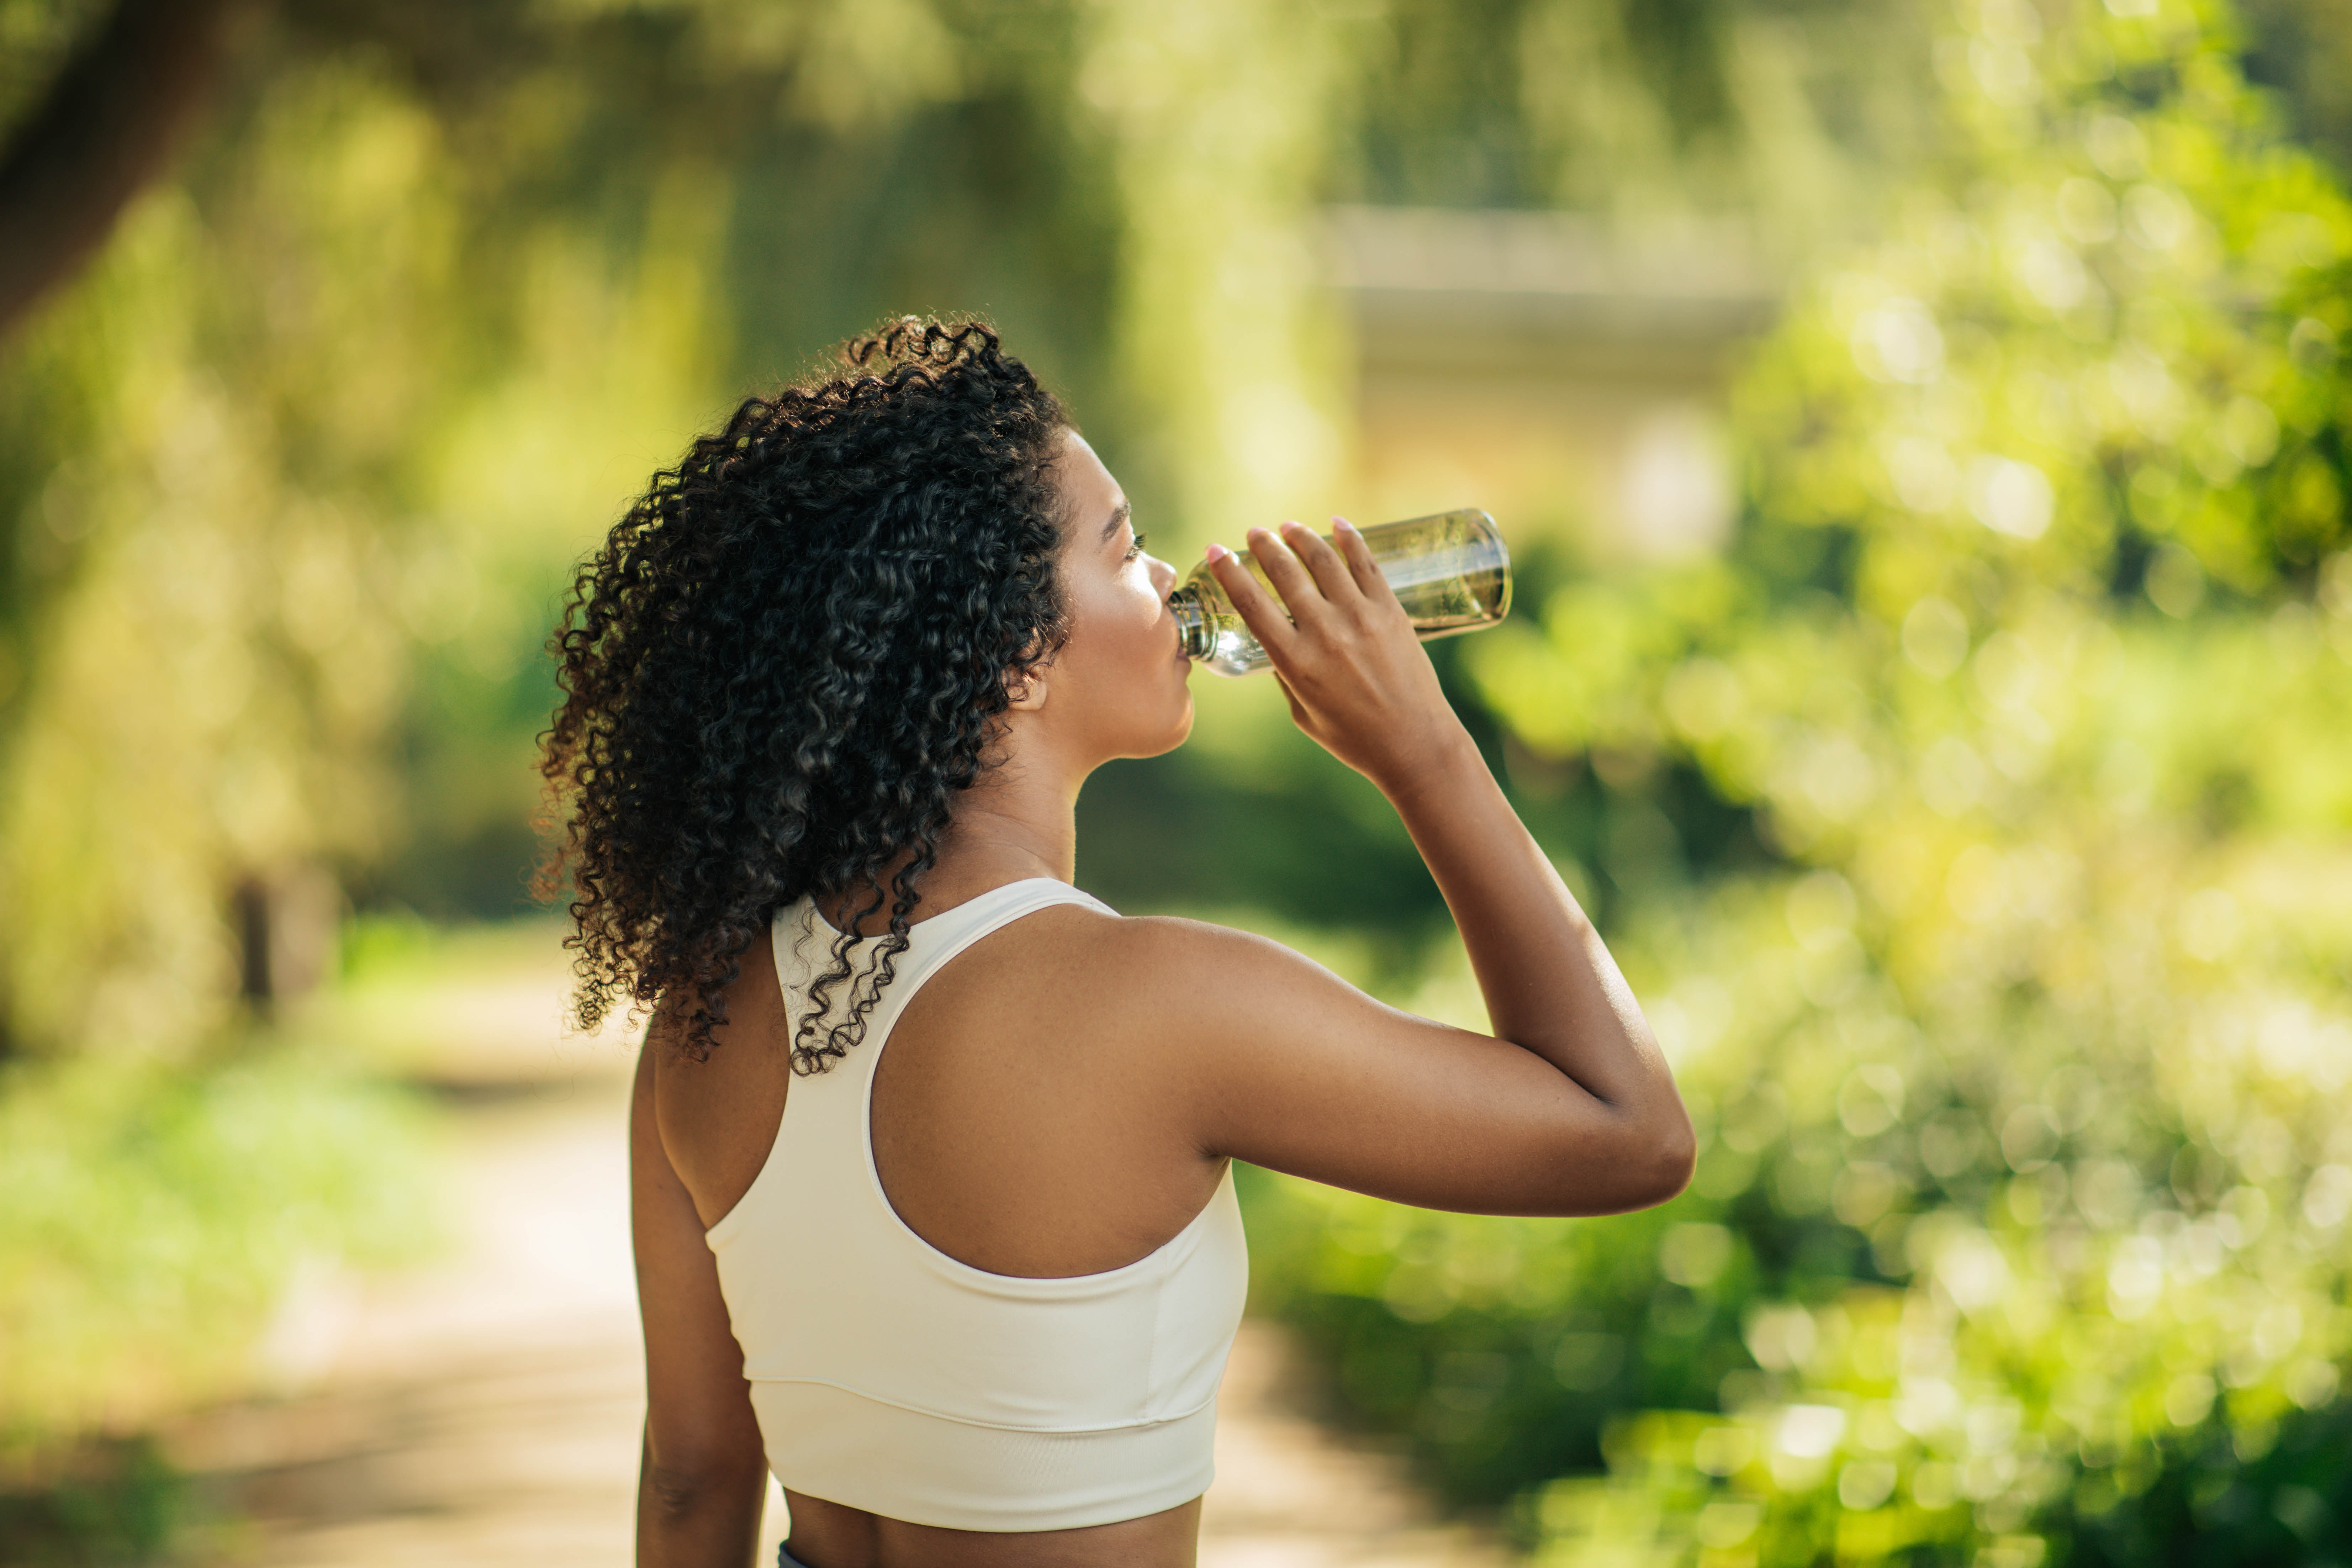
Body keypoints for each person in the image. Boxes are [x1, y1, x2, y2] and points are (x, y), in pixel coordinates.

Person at [539, 317, 1695, 1568]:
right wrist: (1424, 752)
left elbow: (691, 1485)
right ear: (1011, 657)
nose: (1169, 579)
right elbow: (1627, 1133)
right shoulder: (1158, 1002)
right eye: (1124, 545)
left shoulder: (705, 1014)